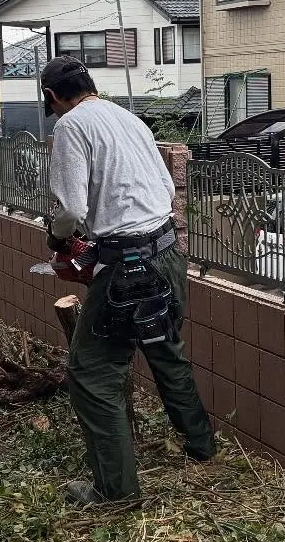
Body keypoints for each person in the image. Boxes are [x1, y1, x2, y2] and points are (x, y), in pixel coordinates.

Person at [41, 55, 216, 504]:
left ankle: (115, 491)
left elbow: (73, 210)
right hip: (165, 253)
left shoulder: (70, 126)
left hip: (124, 268)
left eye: (53, 103)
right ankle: (202, 447)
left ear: (53, 96)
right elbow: (165, 188)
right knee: (166, 353)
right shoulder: (129, 118)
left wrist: (58, 235)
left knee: (92, 375)